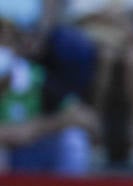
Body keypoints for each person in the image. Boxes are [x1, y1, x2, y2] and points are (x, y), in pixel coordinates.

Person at [65, 0, 133, 166]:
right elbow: (77, 18)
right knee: (106, 57)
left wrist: (129, 27)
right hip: (98, 43)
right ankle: (95, 133)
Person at [0, 10, 98, 173]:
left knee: (73, 139)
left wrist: (35, 127)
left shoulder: (36, 79)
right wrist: (7, 133)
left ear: (17, 48)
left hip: (27, 156)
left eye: (5, 41)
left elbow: (88, 121)